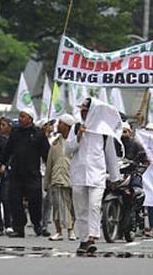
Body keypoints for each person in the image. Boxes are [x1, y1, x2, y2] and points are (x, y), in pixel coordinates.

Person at [66, 98, 121, 255]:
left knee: (94, 205)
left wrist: (115, 177)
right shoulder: (76, 127)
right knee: (80, 208)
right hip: (79, 174)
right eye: (82, 109)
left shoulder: (103, 131)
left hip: (97, 175)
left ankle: (92, 237)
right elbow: (67, 149)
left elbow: (110, 154)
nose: (83, 112)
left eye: (86, 110)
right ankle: (84, 239)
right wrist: (78, 137)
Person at [2, 108, 50, 238]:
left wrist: (49, 168)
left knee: (35, 201)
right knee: (15, 201)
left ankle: (37, 225)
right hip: (16, 173)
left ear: (30, 118)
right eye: (20, 116)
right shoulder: (15, 133)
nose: (20, 119)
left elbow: (46, 154)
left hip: (32, 174)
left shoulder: (39, 134)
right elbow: (7, 151)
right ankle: (18, 227)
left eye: (23, 116)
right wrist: (2, 164)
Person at [46, 114, 76, 241]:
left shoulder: (75, 142)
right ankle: (59, 231)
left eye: (61, 123)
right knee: (57, 206)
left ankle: (71, 230)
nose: (58, 125)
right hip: (57, 178)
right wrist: (46, 182)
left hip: (72, 178)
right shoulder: (55, 143)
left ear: (68, 126)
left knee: (71, 207)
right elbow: (49, 163)